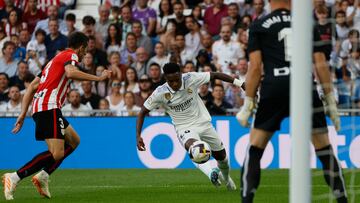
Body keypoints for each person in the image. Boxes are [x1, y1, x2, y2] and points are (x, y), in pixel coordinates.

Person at [235, 1, 348, 202]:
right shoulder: (307, 23)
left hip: (274, 86)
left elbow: (255, 67)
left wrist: (248, 102)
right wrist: (330, 100)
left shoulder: (259, 24)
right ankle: (342, 199)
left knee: (255, 148)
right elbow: (320, 63)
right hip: (305, 86)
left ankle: (246, 200)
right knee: (324, 149)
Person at [2, 32, 112, 200]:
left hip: (42, 107)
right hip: (49, 107)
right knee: (57, 154)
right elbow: (70, 73)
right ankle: (14, 177)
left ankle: (43, 176)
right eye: (85, 51)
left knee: (74, 140)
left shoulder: (52, 62)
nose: (84, 55)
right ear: (81, 47)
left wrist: (23, 114)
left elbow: (32, 86)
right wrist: (98, 77)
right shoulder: (71, 55)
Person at [136, 62, 243, 190]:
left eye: (177, 80)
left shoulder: (190, 78)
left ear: (181, 74)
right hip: (184, 128)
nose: (175, 84)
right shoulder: (160, 92)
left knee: (223, 158)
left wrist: (240, 84)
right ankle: (211, 173)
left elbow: (215, 75)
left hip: (203, 123)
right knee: (195, 148)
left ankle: (227, 180)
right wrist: (138, 135)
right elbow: (142, 112)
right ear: (166, 79)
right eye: (171, 81)